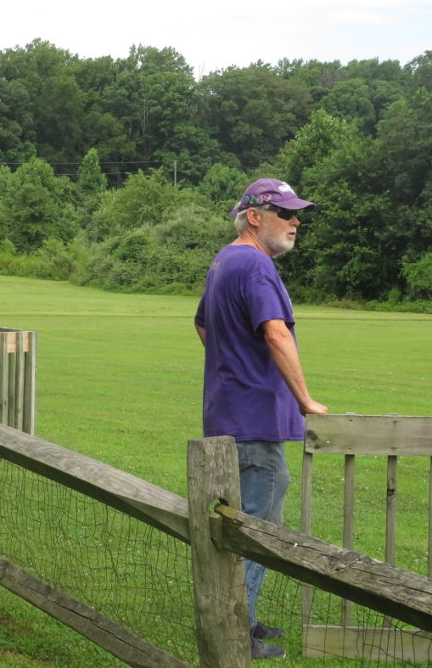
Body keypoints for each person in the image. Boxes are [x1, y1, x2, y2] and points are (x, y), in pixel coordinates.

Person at [194, 177, 328, 660]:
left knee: (247, 518)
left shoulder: (225, 260)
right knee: (258, 527)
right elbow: (275, 333)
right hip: (256, 422)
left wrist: (235, 370)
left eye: (297, 215)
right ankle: (235, 633)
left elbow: (203, 324)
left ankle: (243, 617)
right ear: (255, 216)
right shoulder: (255, 265)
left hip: (231, 415)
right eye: (286, 214)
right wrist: (306, 400)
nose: (296, 223)